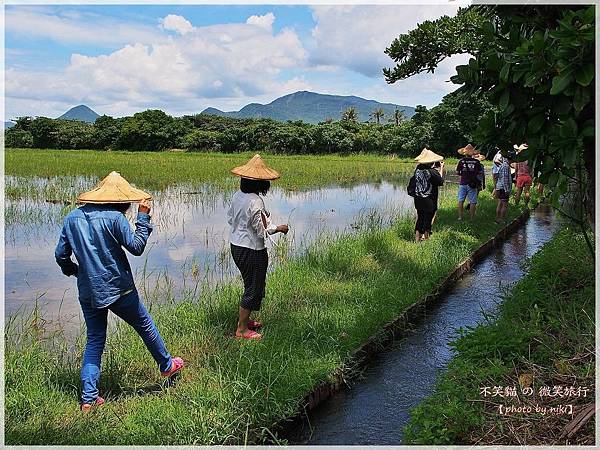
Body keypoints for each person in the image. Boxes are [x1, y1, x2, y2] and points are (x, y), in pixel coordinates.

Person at [55, 171, 184, 412]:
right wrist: (143, 219)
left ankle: (89, 398)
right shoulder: (115, 218)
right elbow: (136, 247)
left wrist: (73, 270)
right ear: (121, 201)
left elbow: (60, 254)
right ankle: (166, 365)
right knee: (144, 324)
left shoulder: (72, 218)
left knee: (94, 340)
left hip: (88, 290)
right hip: (119, 288)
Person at [228, 155, 289, 340]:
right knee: (254, 287)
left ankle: (246, 321)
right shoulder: (255, 201)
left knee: (250, 282)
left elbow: (232, 219)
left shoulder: (238, 196)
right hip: (251, 249)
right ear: (260, 184)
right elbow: (262, 230)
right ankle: (241, 330)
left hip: (236, 246)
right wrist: (279, 228)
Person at [412, 149, 444, 241]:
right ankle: (426, 240)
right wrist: (441, 168)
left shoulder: (417, 169)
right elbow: (440, 182)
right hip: (429, 200)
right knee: (428, 219)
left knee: (420, 218)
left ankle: (417, 239)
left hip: (418, 199)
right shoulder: (432, 172)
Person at [456, 144, 483, 220]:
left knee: (461, 200)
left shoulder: (461, 161)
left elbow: (458, 172)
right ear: (473, 153)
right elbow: (479, 173)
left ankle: (460, 217)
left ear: (465, 153)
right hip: (472, 184)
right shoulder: (477, 162)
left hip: (463, 183)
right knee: (473, 201)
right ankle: (472, 218)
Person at [495, 152, 514, 224]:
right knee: (504, 205)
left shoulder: (503, 164)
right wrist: (507, 190)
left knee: (500, 203)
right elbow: (505, 179)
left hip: (500, 187)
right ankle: (501, 219)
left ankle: (497, 218)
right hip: (503, 188)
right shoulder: (506, 166)